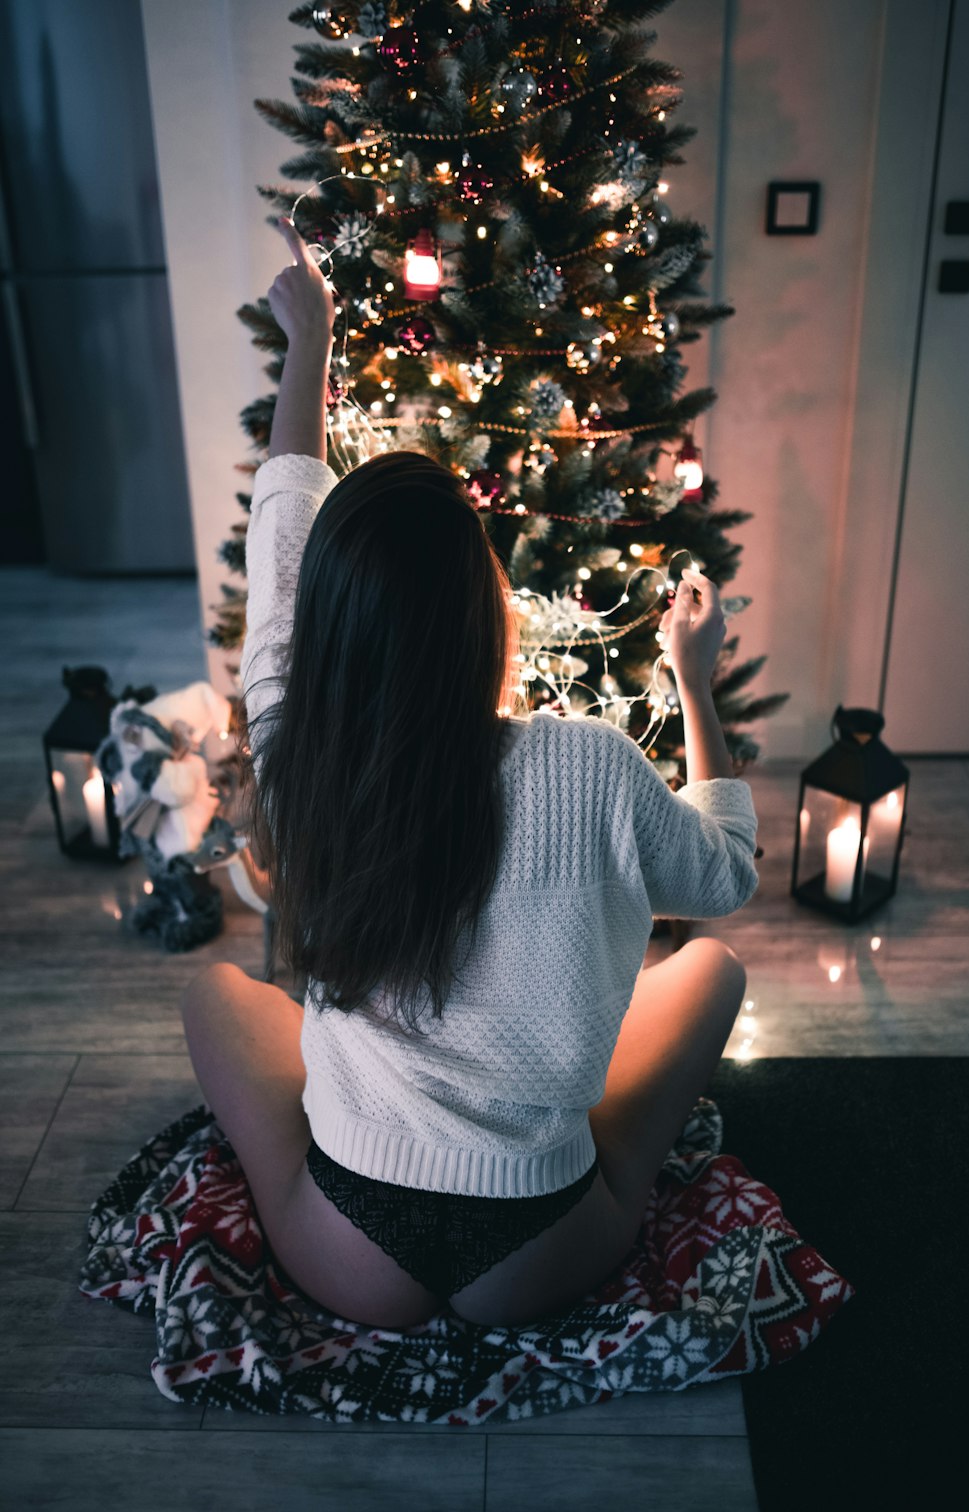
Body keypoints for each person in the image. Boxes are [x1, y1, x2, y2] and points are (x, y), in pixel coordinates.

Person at [180, 218, 759, 1331]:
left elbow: (283, 522)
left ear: (330, 628)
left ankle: (305, 1196)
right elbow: (726, 874)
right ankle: (610, 1195)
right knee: (715, 969)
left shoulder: (300, 743)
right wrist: (693, 680)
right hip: (540, 1252)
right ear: (485, 617)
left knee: (215, 996)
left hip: (347, 1251)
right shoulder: (587, 768)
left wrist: (311, 340)